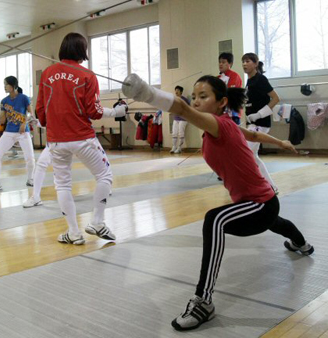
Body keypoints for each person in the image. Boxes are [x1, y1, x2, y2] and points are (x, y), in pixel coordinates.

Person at [122, 73, 314, 331]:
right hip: (262, 205)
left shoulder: (219, 125)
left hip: (260, 204)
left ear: (221, 102)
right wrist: (281, 142)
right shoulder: (228, 125)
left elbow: (181, 107)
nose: (196, 101)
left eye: (203, 96)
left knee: (215, 219)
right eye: (195, 96)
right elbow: (254, 137)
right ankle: (302, 244)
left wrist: (148, 93)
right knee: (274, 222)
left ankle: (203, 300)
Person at [35, 32, 127, 245]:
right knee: (104, 175)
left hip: (56, 140)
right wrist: (117, 112)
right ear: (82, 50)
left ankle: (74, 232)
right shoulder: (87, 75)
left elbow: (41, 110)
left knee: (63, 185)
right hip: (82, 138)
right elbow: (93, 111)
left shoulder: (47, 73)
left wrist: (50, 123)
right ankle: (97, 221)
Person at [0, 77, 35, 191]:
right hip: (9, 132)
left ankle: (31, 179)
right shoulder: (4, 101)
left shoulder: (24, 98)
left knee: (30, 158)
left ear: (13, 86)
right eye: (4, 84)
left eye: (6, 84)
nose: (4, 86)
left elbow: (31, 114)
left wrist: (24, 122)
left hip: (23, 132)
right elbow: (2, 120)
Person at [242, 53, 280, 194]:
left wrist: (259, 114)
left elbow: (276, 98)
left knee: (246, 154)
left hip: (261, 123)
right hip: (252, 124)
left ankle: (267, 186)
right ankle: (270, 186)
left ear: (255, 63)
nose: (245, 64)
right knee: (253, 156)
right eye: (243, 62)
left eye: (248, 61)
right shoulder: (249, 81)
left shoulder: (261, 79)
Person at [218, 52, 243, 125]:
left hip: (232, 112)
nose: (220, 64)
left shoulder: (234, 75)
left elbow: (231, 92)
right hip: (221, 112)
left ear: (230, 63)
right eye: (219, 62)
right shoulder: (218, 78)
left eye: (223, 62)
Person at [170, 86, 190, 154]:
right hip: (175, 118)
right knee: (174, 133)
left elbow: (189, 109)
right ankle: (174, 147)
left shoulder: (184, 100)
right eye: (175, 90)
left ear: (181, 92)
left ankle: (179, 148)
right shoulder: (174, 99)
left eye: (178, 90)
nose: (176, 91)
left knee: (181, 133)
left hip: (183, 119)